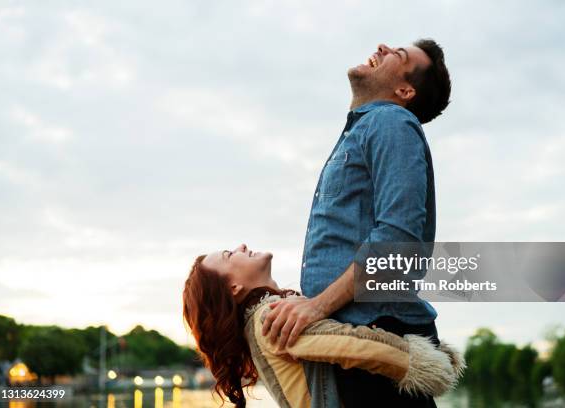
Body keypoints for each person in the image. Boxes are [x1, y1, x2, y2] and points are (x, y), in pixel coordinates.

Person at [261, 39, 452, 407]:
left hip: (376, 340)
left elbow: (398, 239)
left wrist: (316, 307)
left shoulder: (392, 121)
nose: (383, 46)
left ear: (405, 90)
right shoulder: (368, 128)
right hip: (356, 340)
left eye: (399, 54)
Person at [182, 244, 464, 408]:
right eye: (230, 255)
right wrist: (417, 361)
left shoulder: (260, 321)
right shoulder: (270, 317)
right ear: (234, 288)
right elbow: (348, 344)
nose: (241, 246)